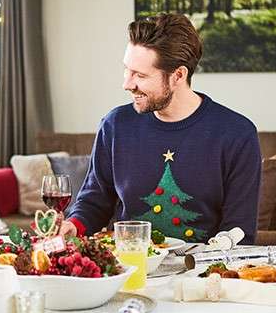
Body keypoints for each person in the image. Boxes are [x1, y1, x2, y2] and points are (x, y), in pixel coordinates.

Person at [60, 13, 261, 243]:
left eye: (140, 75)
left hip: (201, 274)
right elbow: (94, 202)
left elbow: (240, 230)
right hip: (128, 269)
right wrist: (73, 226)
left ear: (178, 75)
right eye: (127, 70)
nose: (127, 84)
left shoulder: (237, 134)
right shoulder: (114, 125)